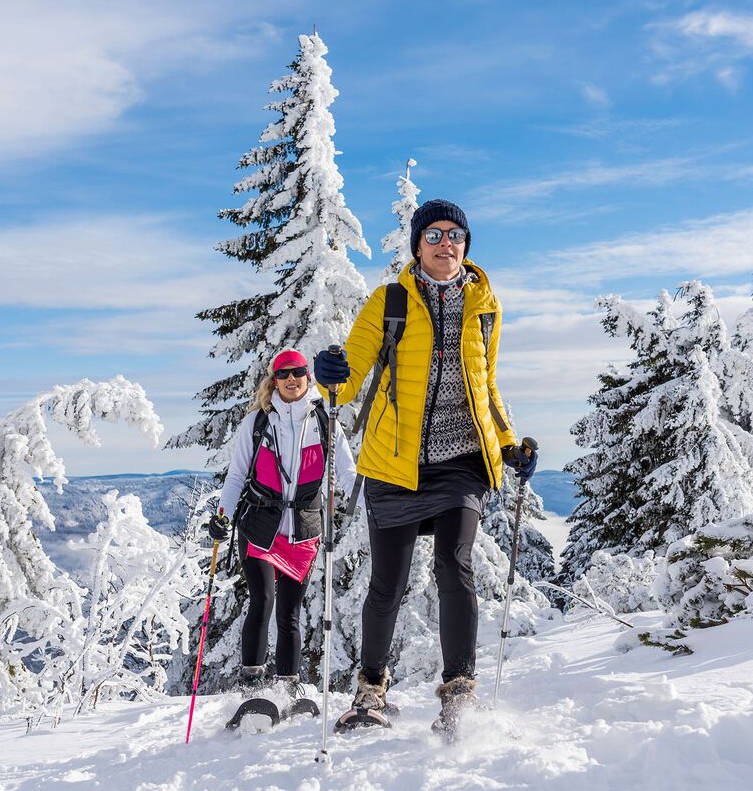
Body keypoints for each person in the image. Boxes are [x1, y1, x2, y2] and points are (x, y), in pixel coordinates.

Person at [313, 199, 537, 735]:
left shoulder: (484, 306)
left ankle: (459, 693)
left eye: (455, 234)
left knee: (454, 567)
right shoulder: (389, 301)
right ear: (417, 245)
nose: (445, 243)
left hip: (462, 462)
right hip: (394, 463)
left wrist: (507, 442)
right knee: (387, 586)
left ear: (466, 245)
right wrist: (330, 373)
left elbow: (486, 385)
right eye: (433, 234)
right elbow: (347, 376)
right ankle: (370, 693)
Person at [210, 349, 355, 697]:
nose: (292, 379)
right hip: (259, 524)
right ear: (274, 380)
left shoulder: (326, 421)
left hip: (303, 528)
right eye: (284, 373)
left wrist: (379, 505)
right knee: (262, 601)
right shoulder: (258, 422)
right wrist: (221, 517)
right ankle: (251, 688)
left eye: (299, 372)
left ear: (309, 376)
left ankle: (287, 690)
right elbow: (236, 476)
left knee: (290, 613)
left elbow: (348, 474)